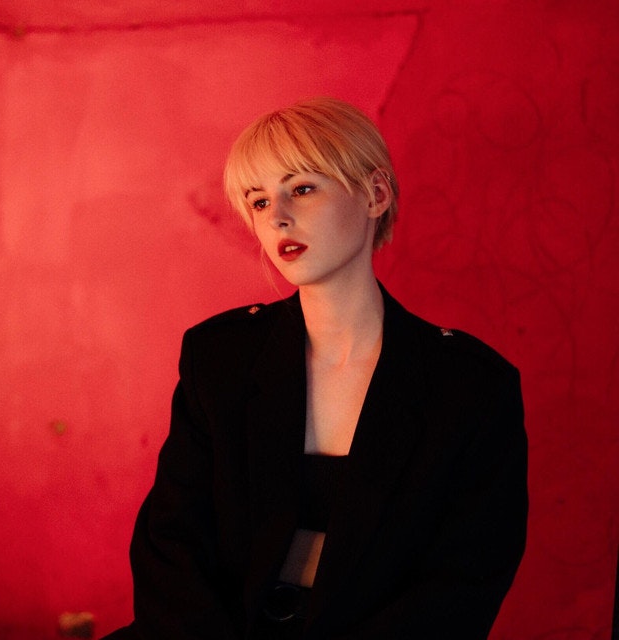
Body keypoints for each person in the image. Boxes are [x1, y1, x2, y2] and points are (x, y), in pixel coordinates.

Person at [104, 97, 528, 639]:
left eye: (302, 188)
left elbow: (464, 581)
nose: (276, 216)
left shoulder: (470, 385)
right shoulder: (219, 357)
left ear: (375, 194)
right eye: (259, 201)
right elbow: (170, 544)